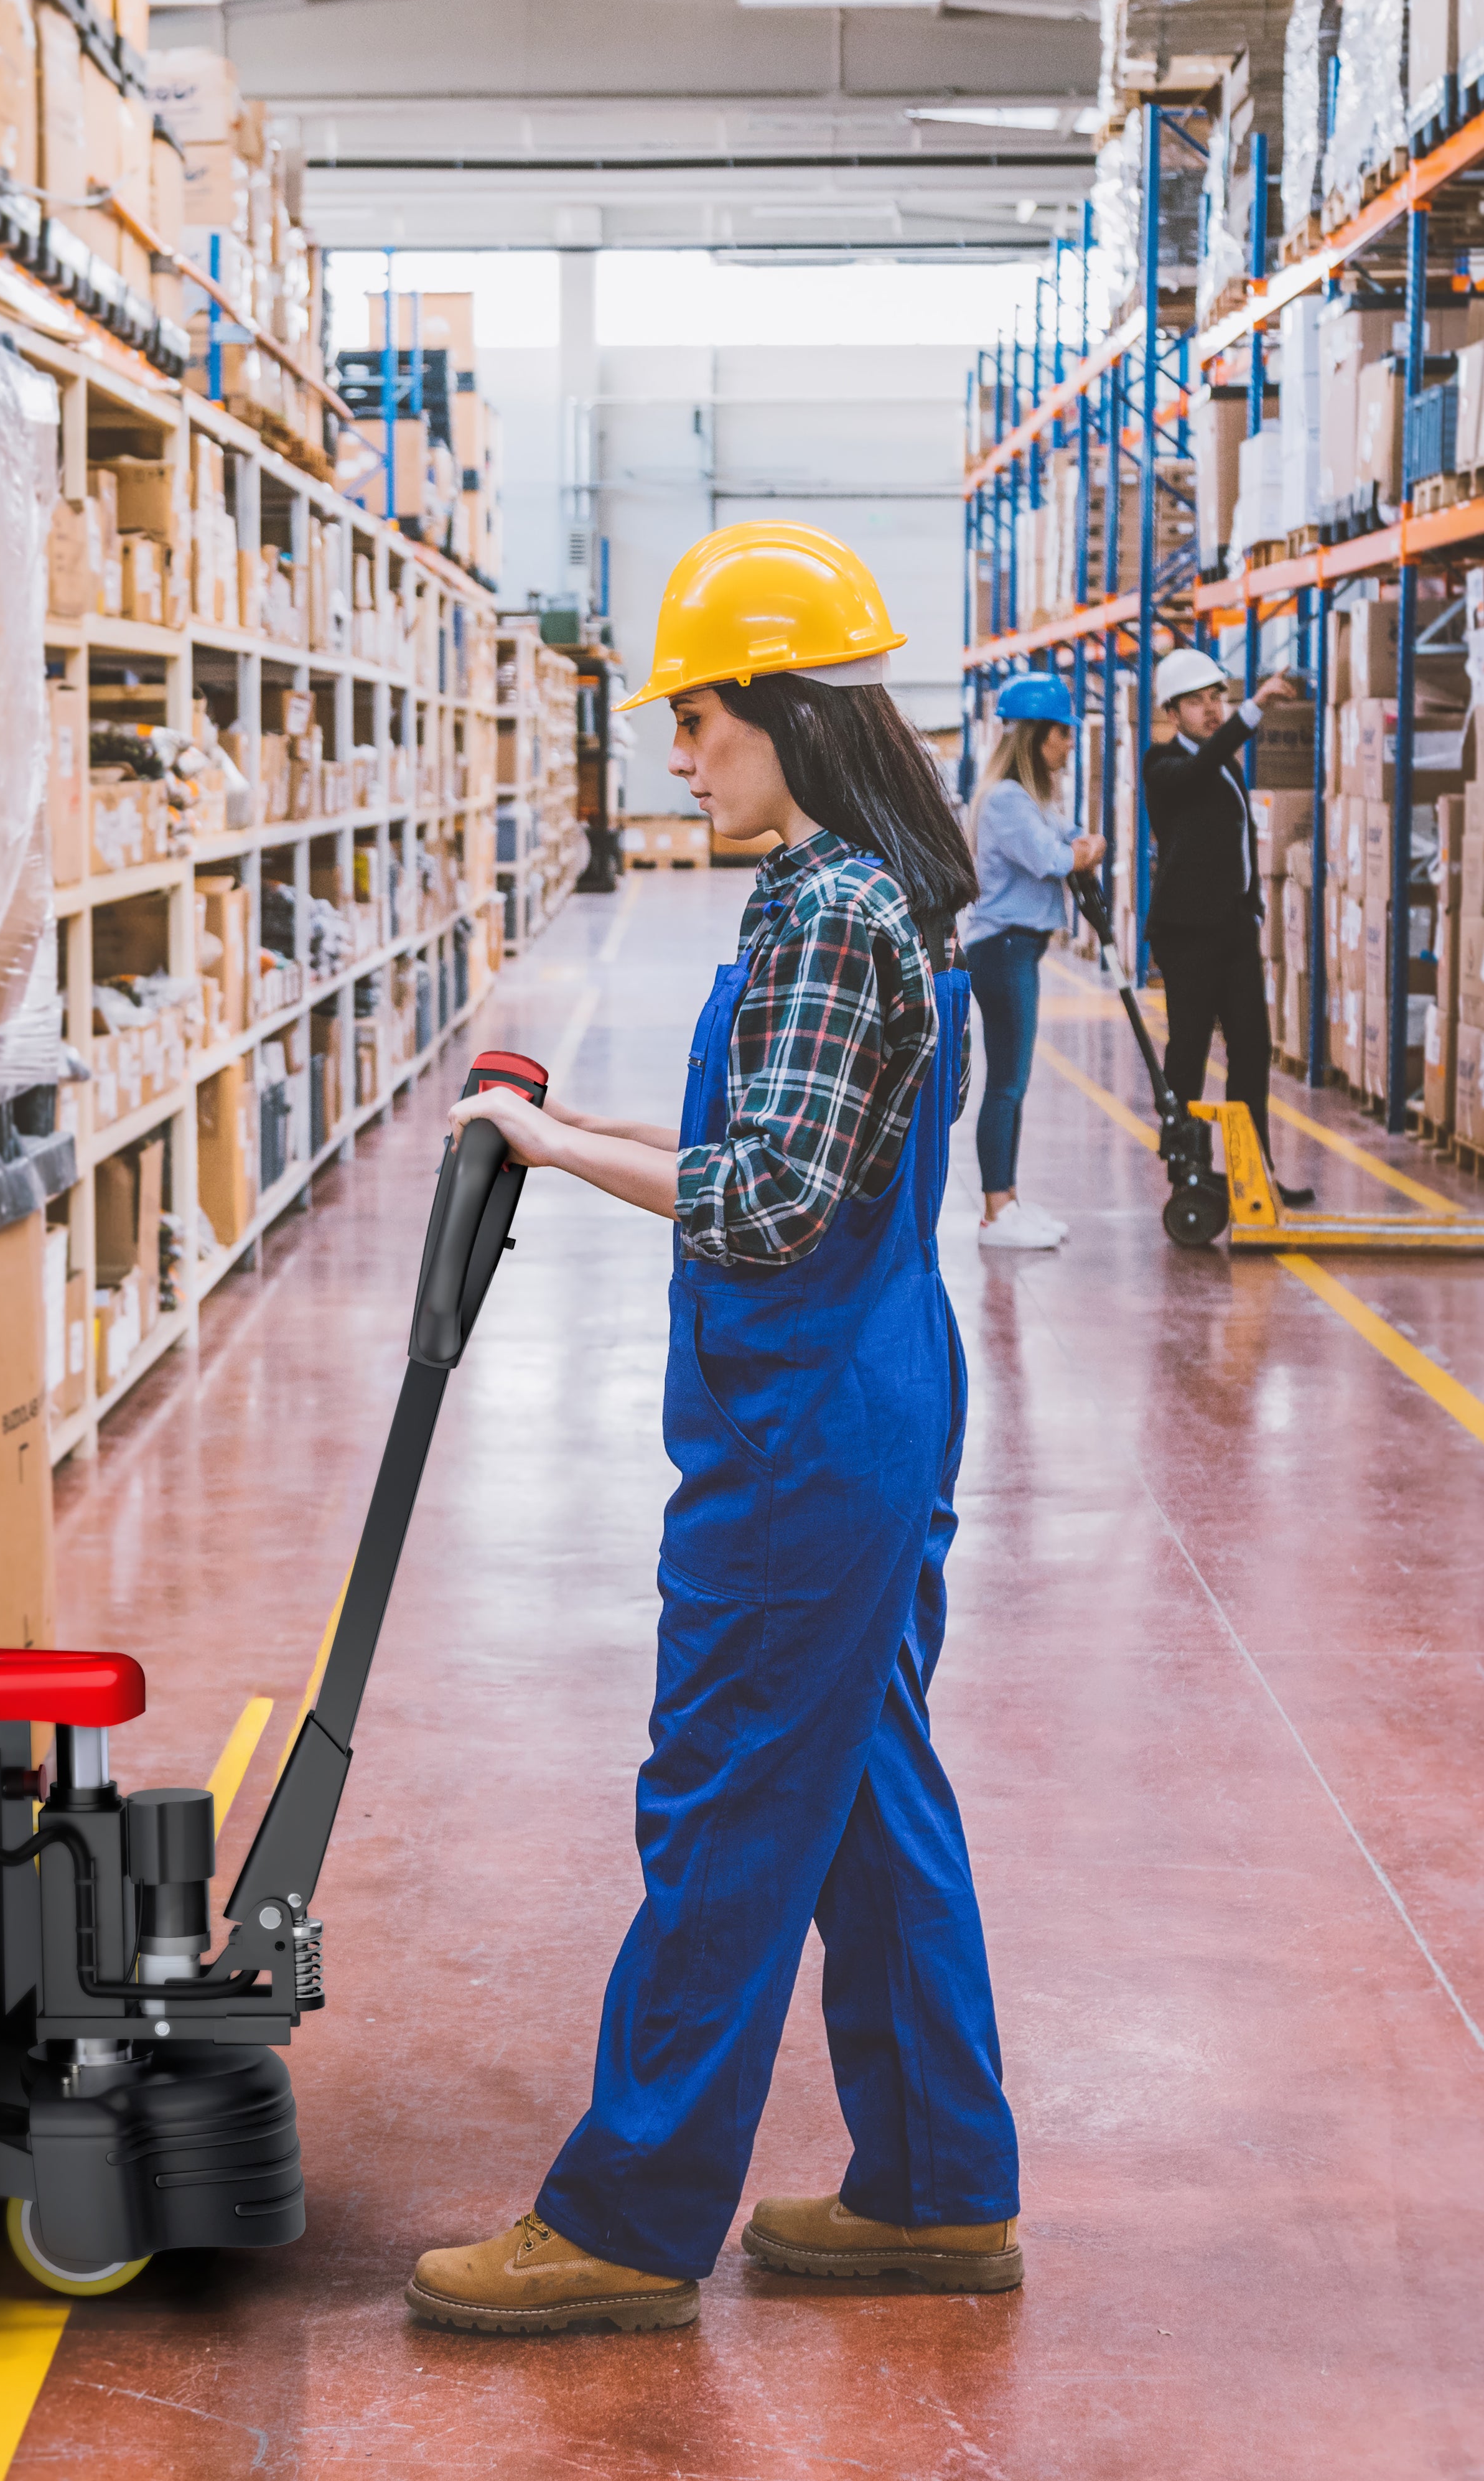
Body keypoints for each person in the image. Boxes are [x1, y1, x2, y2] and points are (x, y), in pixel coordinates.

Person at [406, 523, 1022, 2339]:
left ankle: (627, 2218)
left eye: (701, 720)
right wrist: (575, 1121)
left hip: (808, 1436)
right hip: (867, 1390)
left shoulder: (832, 910)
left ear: (791, 715)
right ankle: (933, 2191)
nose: (679, 754)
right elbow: (795, 1171)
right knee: (865, 1803)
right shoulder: (868, 891)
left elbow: (765, 1202)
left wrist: (547, 1146)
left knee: (730, 1803)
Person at [1145, 645, 1314, 1207]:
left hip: (1230, 929)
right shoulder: (1163, 766)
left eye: (1217, 696)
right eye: (1196, 701)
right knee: (1189, 1049)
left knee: (1250, 1048)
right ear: (1173, 713)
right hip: (1186, 934)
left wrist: (1249, 907)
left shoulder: (1224, 765)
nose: (1211, 708)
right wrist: (1254, 709)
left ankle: (1254, 1174)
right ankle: (1187, 1170)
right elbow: (1198, 767)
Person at [966, 672, 1105, 1251]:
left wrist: (1078, 850)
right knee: (1006, 1082)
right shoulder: (1004, 800)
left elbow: (1080, 841)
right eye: (1062, 734)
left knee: (1013, 1081)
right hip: (1001, 949)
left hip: (1017, 947)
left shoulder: (1032, 797)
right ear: (1035, 736)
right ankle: (997, 1212)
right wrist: (1075, 852)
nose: (1070, 744)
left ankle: (1009, 1202)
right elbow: (1056, 857)